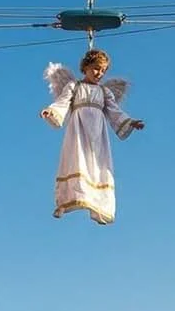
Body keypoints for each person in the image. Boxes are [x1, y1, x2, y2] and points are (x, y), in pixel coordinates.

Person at [40, 49, 145, 225]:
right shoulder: (74, 87)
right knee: (77, 161)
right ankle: (67, 200)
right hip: (78, 130)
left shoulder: (104, 92)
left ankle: (98, 206)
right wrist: (51, 111)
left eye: (103, 70)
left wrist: (129, 122)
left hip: (98, 133)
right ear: (86, 67)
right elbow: (62, 102)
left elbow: (114, 111)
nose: (99, 73)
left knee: (98, 165)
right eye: (96, 68)